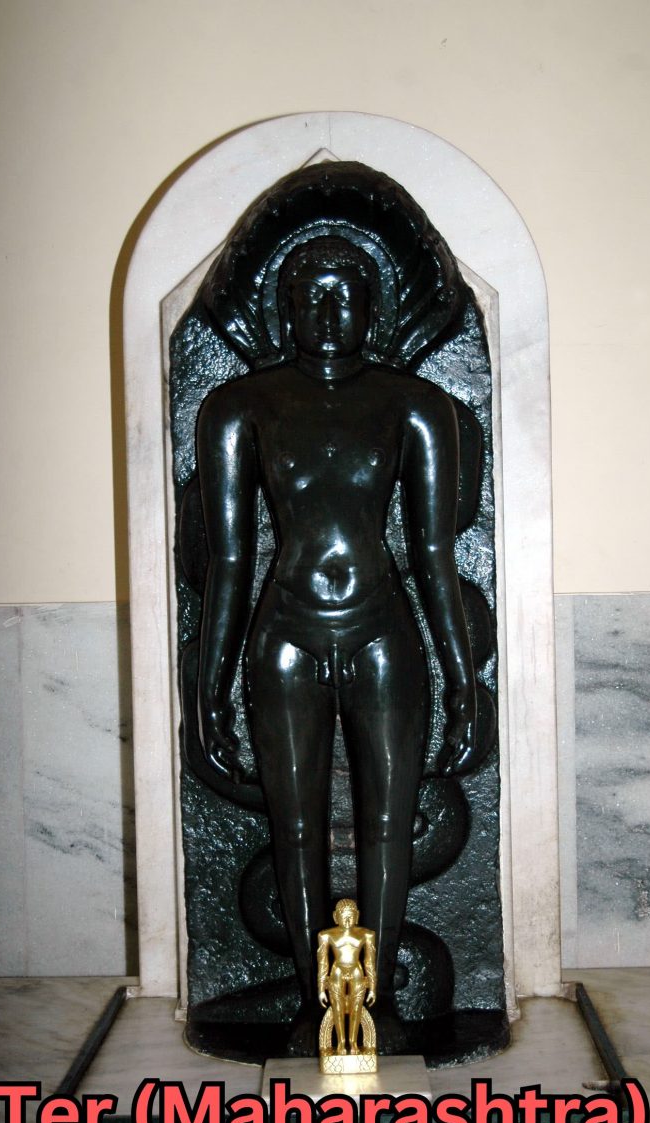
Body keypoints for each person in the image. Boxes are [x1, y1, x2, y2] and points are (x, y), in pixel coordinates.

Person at [196, 236, 476, 1053]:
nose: (326, 312)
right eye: (308, 294)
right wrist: (207, 691)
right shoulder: (240, 406)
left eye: (343, 294)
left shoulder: (414, 405)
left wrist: (463, 681)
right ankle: (317, 1003)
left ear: (373, 308)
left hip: (381, 630)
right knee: (295, 829)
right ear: (284, 311)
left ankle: (372, 1003)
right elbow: (230, 561)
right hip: (286, 633)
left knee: (389, 824)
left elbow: (434, 554)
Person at [318, 898, 376, 1058]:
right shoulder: (326, 935)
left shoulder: (367, 934)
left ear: (357, 915)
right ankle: (341, 1042)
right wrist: (321, 989)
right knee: (337, 1007)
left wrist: (372, 988)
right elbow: (323, 964)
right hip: (337, 970)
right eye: (344, 916)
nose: (348, 920)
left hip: (357, 970)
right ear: (335, 917)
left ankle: (353, 1042)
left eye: (351, 916)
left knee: (357, 1006)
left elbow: (369, 962)